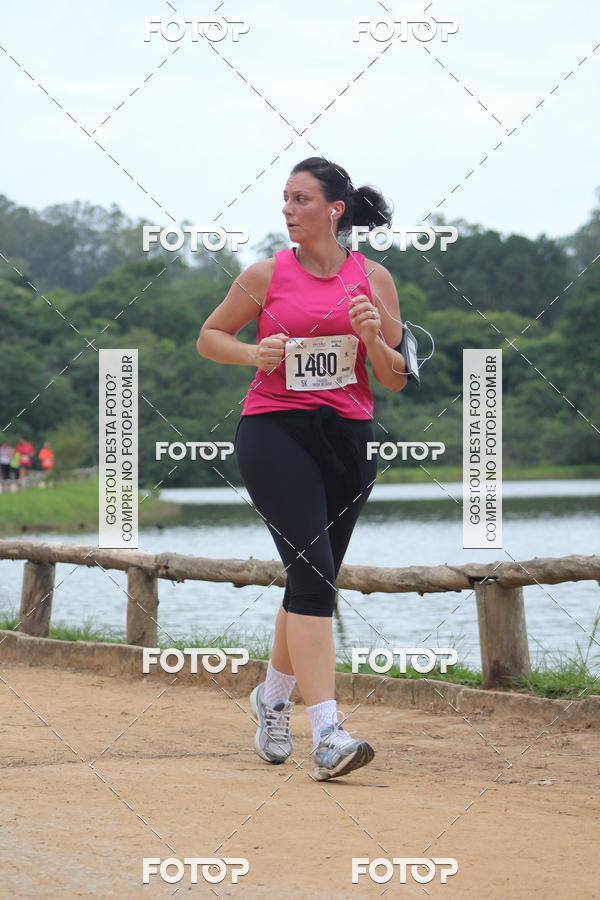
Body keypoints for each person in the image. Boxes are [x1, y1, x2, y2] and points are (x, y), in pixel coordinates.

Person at [197, 157, 408, 781]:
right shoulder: (265, 274)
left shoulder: (375, 279)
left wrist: (374, 339)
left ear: (334, 209)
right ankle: (329, 734)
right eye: (284, 199)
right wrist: (249, 352)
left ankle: (271, 698)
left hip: (349, 438)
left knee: (310, 578)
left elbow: (395, 379)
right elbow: (209, 336)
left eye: (300, 199)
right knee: (314, 574)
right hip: (274, 431)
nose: (287, 209)